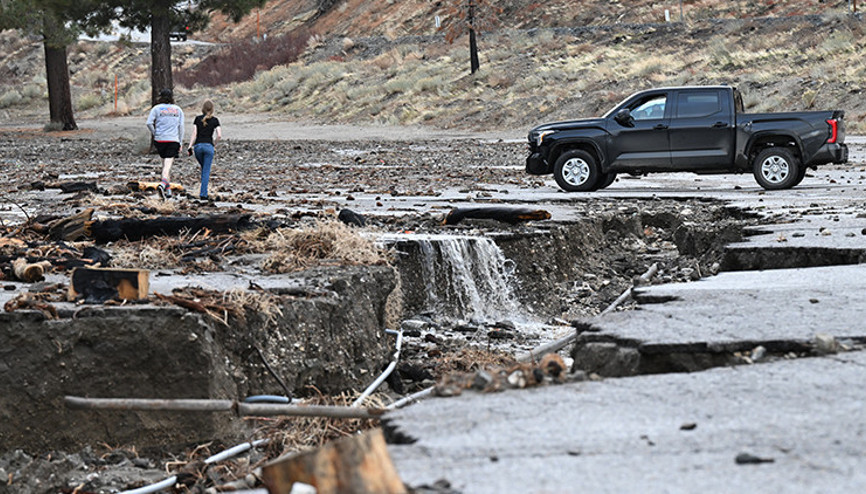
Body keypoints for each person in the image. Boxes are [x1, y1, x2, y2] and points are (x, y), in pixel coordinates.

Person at [146, 88, 184, 200]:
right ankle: (162, 184)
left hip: (160, 140)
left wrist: (155, 133)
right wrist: (180, 141)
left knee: (164, 165)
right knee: (167, 167)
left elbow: (148, 123)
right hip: (173, 140)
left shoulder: (156, 109)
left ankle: (168, 191)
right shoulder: (178, 110)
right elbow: (181, 127)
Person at [187, 100, 222, 200]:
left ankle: (202, 190)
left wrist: (190, 146)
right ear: (212, 109)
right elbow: (219, 135)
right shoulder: (215, 120)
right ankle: (203, 194)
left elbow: (194, 134)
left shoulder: (197, 119)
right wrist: (214, 144)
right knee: (206, 170)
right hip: (208, 147)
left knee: (204, 169)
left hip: (198, 147)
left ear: (203, 109)